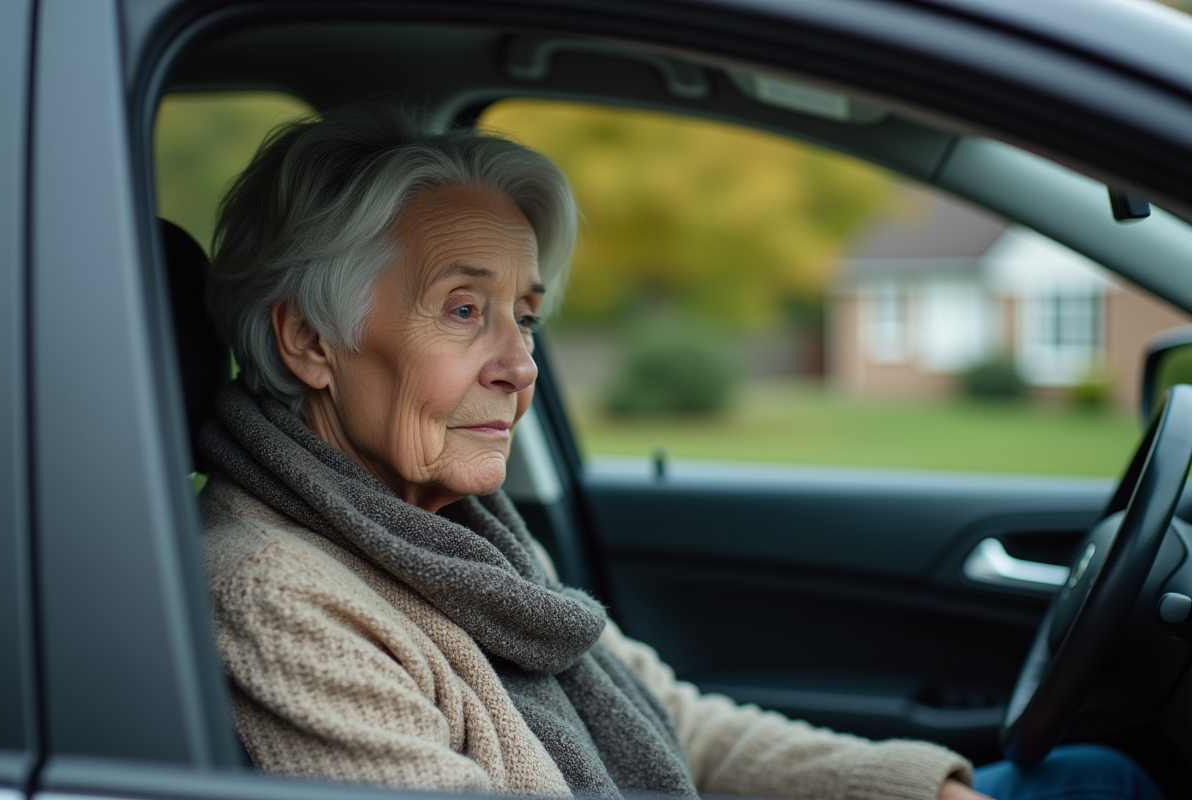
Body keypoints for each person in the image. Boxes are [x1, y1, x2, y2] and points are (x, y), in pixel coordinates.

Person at [197, 105, 1163, 800]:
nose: (520, 367)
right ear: (309, 342)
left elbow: (675, 727)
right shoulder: (277, 596)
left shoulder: (455, 536)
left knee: (1097, 775)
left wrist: (922, 792)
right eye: (465, 310)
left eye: (526, 319)